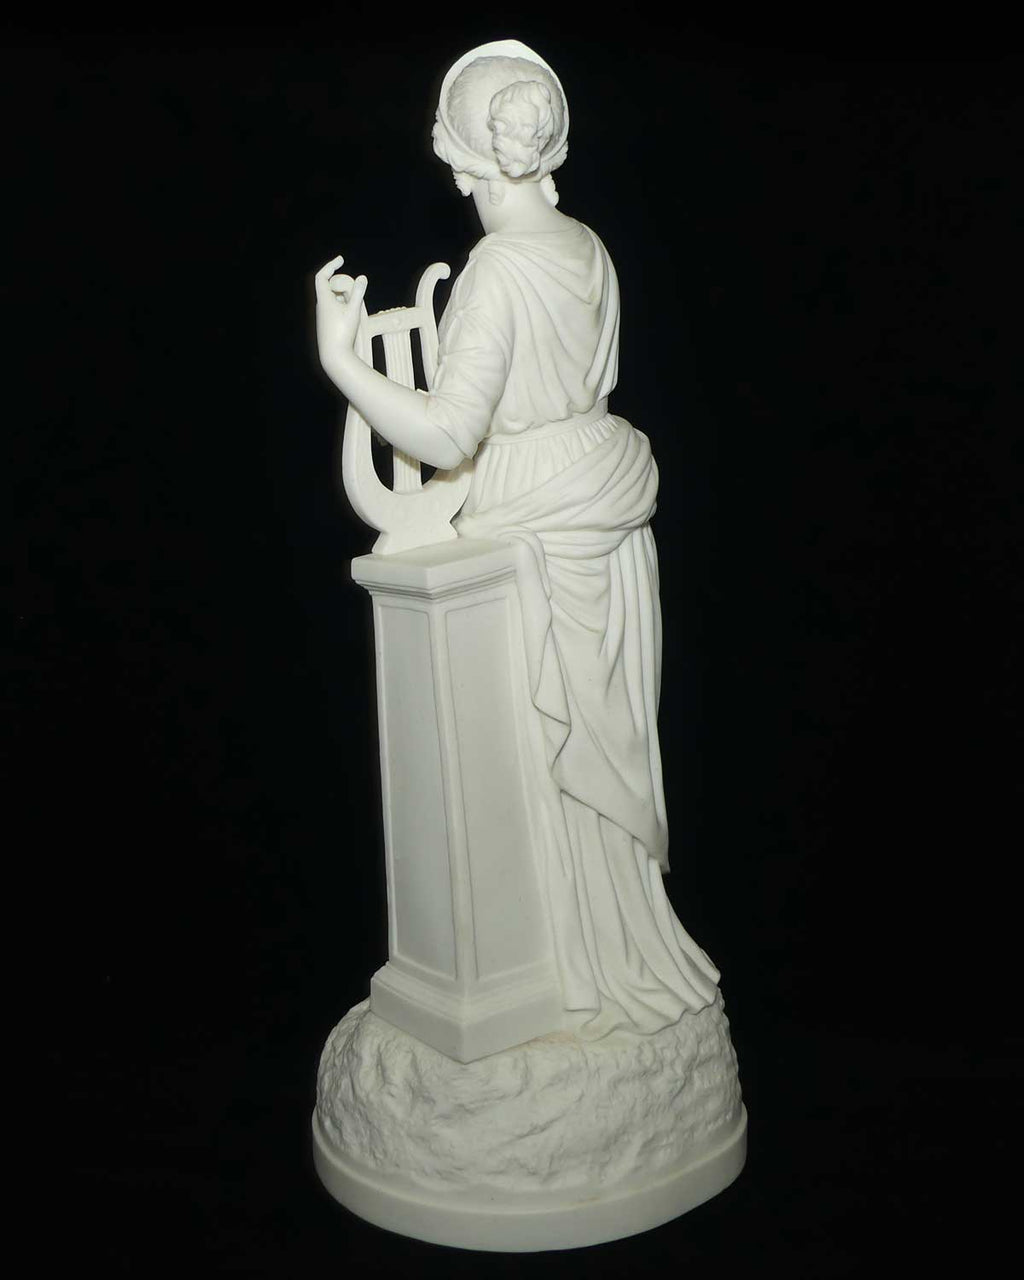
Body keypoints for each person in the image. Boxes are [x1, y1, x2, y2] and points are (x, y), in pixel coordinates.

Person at [315, 40, 720, 1038]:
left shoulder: (497, 270)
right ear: (551, 149)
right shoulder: (587, 246)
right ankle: (614, 944)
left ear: (462, 165)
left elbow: (448, 436)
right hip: (604, 496)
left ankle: (593, 966)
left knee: (559, 751)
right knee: (606, 735)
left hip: (542, 515)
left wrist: (343, 361)